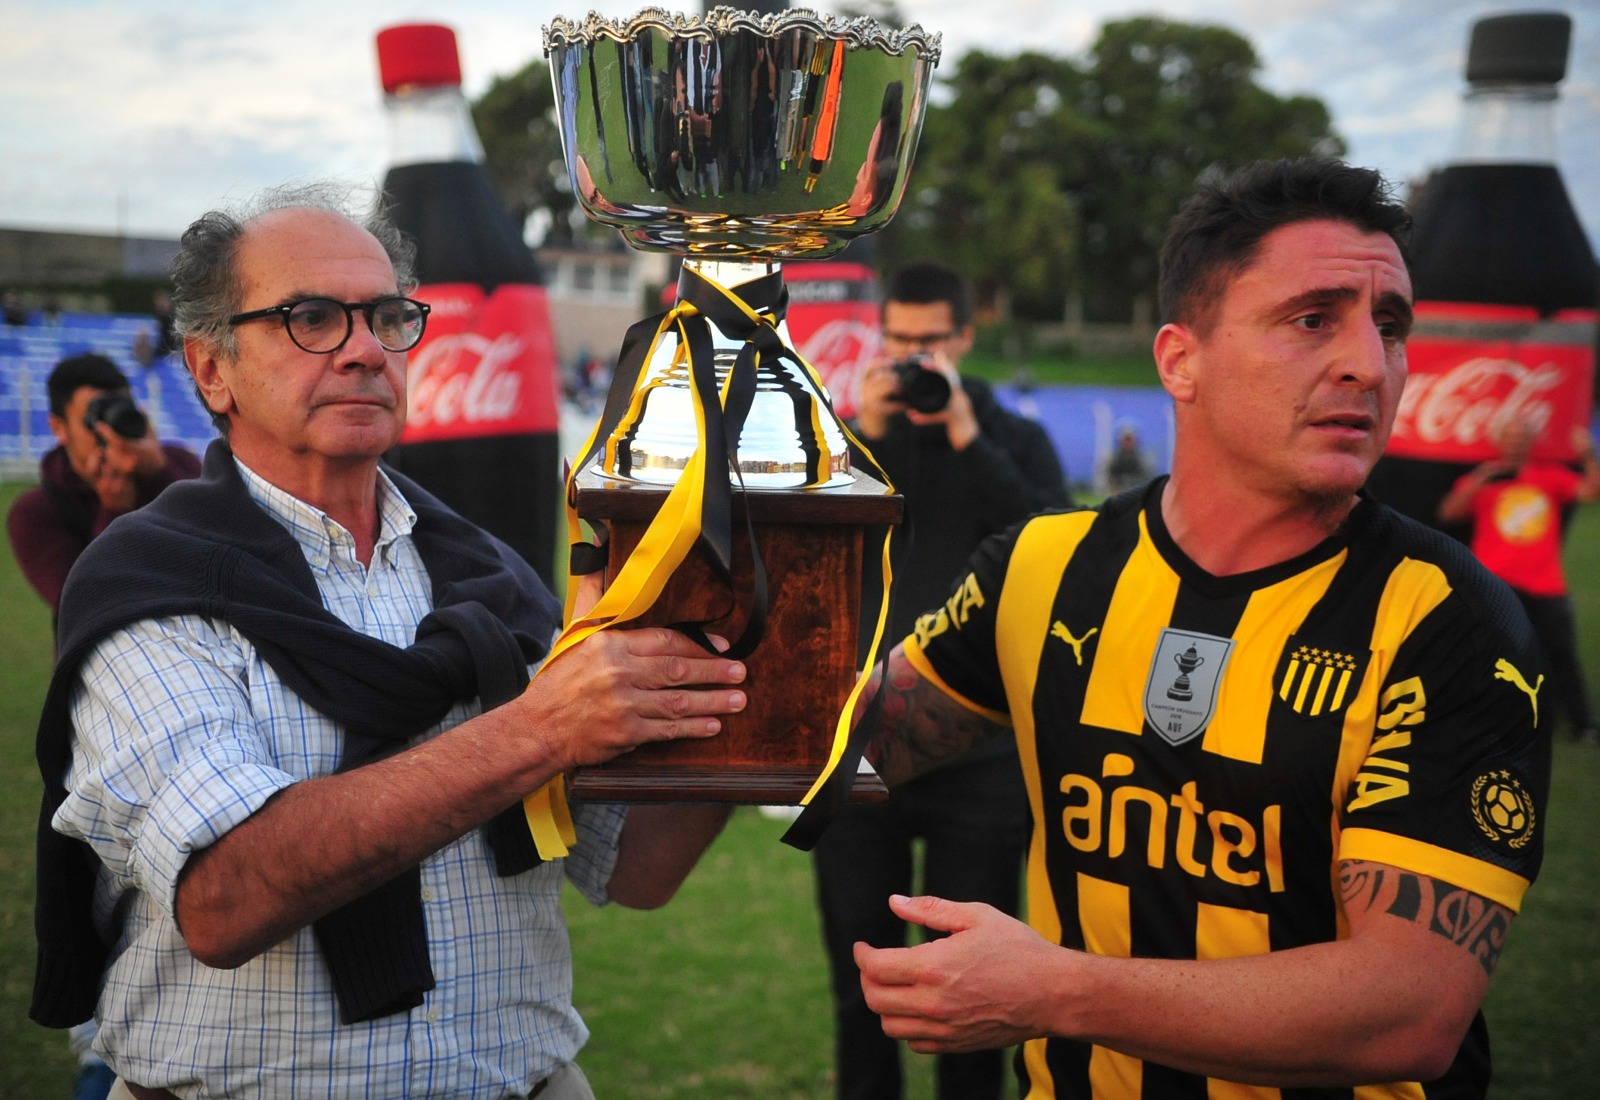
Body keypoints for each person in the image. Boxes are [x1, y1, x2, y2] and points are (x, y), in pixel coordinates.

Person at [845, 159, 1550, 1098]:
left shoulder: (1450, 619)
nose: (1369, 365)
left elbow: (1410, 1011)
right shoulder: (1041, 568)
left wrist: (1061, 992)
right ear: (1180, 359)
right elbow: (849, 742)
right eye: (1314, 319)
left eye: (1390, 327)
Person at [31, 182, 749, 1100]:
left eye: (388, 318)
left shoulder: (489, 575)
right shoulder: (151, 583)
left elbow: (632, 865)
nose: (367, 350)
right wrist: (540, 728)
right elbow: (225, 894)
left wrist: (757, 683)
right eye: (313, 318)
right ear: (211, 368)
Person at [813, 259, 1071, 1100]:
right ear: (880, 336)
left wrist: (966, 433)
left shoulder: (1008, 433)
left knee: (978, 987)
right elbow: (812, 551)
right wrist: (869, 434)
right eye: (900, 338)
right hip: (861, 740)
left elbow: (1052, 550)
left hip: (985, 751)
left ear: (964, 337)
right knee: (863, 972)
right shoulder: (855, 435)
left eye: (931, 340)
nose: (916, 356)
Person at [7, 352, 203, 629]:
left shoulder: (177, 463)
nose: (110, 428)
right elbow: (81, 603)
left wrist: (159, 472)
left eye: (121, 409)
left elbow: (216, 542)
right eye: (95, 416)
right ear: (58, 428)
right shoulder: (34, 512)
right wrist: (114, 511)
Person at [1438, 416, 1600, 743]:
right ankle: (1480, 718)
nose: (1514, 442)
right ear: (1498, 440)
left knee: (1560, 652)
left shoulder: (1548, 476)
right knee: (1487, 654)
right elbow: (1448, 514)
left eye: (1520, 436)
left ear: (1530, 441)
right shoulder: (1483, 478)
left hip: (1544, 582)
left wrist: (1588, 456)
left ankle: (1581, 723)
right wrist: (1480, 480)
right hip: (1494, 583)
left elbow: (1590, 492)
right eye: (1508, 436)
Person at [1098, 421, 1156, 497]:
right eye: (1125, 440)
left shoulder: (1143, 459)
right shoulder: (1112, 458)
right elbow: (1106, 475)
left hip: (1137, 491)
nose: (1127, 443)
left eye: (1130, 440)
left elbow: (1148, 478)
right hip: (1117, 490)